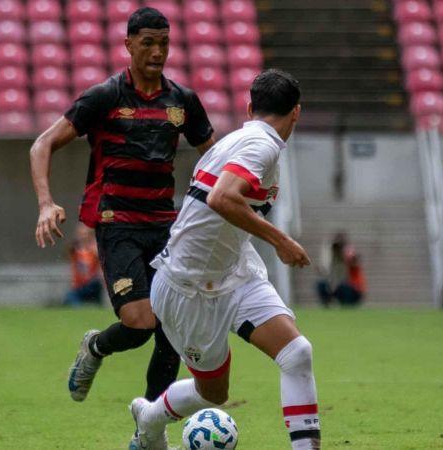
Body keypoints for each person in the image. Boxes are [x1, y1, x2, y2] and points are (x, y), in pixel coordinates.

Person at [29, 7, 216, 405]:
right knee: (140, 322)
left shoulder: (183, 101)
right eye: (147, 42)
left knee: (172, 331)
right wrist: (46, 204)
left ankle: (151, 426)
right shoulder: (104, 96)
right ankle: (95, 347)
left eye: (164, 43)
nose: (157, 51)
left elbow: (213, 156)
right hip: (117, 223)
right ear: (128, 44)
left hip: (166, 225)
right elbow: (41, 144)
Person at [129, 69, 321, 450]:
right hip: (188, 286)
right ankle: (150, 418)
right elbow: (222, 197)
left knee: (297, 353)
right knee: (213, 392)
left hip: (235, 271)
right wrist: (281, 240)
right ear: (296, 113)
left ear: (250, 107)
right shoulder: (260, 146)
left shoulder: (243, 138)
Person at [316, 232, 365, 307]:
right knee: (321, 284)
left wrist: (344, 253)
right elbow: (323, 269)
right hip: (335, 287)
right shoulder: (331, 257)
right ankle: (327, 303)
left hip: (353, 290)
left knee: (344, 286)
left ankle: (346, 304)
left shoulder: (348, 252)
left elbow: (354, 260)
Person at [62, 224, 103, 306]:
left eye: (85, 234)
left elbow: (101, 258)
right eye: (80, 234)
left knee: (95, 285)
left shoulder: (94, 250)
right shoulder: (74, 250)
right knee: (69, 297)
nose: (83, 236)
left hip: (92, 284)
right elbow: (66, 252)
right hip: (79, 285)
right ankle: (78, 308)